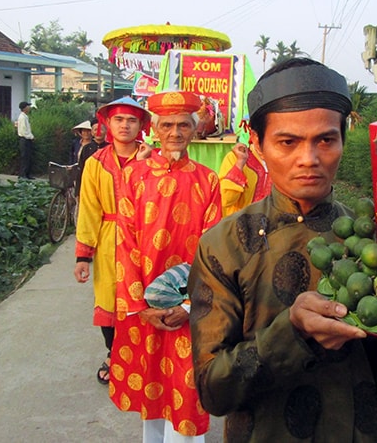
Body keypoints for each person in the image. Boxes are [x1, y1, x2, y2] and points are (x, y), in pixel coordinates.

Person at [187, 58, 377, 442]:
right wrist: (292, 331)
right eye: (288, 142)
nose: (309, 159)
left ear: (342, 140)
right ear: (257, 143)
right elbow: (213, 391)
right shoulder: (224, 245)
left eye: (325, 140)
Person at [111, 90, 221, 442]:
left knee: (187, 390)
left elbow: (214, 251)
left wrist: (190, 305)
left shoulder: (209, 181)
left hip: (190, 310)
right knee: (152, 388)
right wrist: (140, 306)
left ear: (195, 129)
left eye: (183, 125)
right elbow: (124, 245)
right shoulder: (133, 177)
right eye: (168, 125)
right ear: (155, 129)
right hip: (145, 307)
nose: (175, 132)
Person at [74, 97, 151, 386]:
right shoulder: (95, 163)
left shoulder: (152, 160)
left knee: (141, 298)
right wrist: (83, 256)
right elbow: (90, 209)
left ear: (141, 125)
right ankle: (113, 353)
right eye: (119, 119)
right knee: (107, 298)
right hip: (108, 239)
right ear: (108, 123)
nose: (125, 125)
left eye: (132, 120)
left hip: (143, 240)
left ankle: (143, 355)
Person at [218, 139, 271, 216]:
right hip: (238, 224)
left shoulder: (283, 160)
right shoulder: (235, 158)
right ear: (253, 135)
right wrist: (240, 164)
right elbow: (226, 200)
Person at [17, 101, 34, 179]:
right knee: (24, 157)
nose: (29, 108)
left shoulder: (25, 117)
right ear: (24, 108)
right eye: (28, 106)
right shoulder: (22, 117)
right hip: (24, 139)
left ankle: (27, 174)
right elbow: (24, 131)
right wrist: (31, 136)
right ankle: (23, 174)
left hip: (27, 139)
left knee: (29, 157)